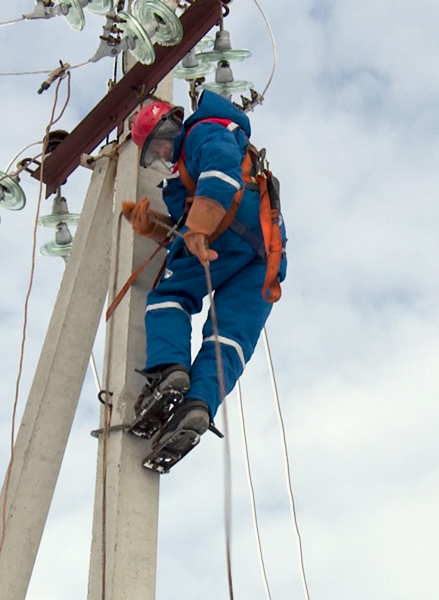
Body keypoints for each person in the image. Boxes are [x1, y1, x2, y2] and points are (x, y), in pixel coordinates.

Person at [121, 90, 287, 470]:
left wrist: (197, 226)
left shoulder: (201, 133)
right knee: (229, 339)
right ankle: (197, 405)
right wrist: (154, 227)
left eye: (160, 145)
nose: (162, 155)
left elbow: (221, 176)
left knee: (169, 297)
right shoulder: (185, 178)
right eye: (154, 155)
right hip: (266, 252)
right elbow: (190, 232)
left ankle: (169, 368)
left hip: (231, 230)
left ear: (171, 127)